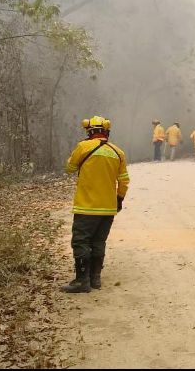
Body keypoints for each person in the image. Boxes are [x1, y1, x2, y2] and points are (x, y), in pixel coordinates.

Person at [62, 116, 129, 293]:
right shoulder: (118, 152)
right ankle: (95, 279)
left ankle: (81, 281)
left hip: (86, 207)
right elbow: (124, 181)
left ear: (89, 132)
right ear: (107, 132)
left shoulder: (83, 147)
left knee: (81, 241)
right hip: (108, 208)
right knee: (99, 241)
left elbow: (69, 168)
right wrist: (119, 200)